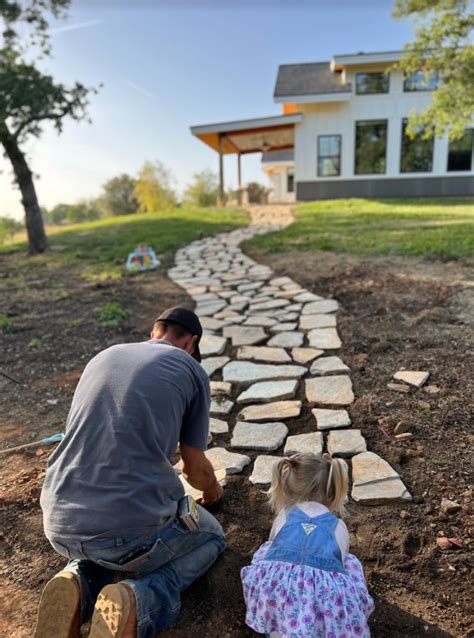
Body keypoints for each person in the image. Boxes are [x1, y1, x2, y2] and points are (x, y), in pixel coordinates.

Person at [35, 306, 225, 638]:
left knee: (104, 543)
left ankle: (75, 582)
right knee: (211, 537)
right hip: (126, 534)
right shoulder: (191, 370)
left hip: (58, 522)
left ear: (154, 332)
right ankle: (140, 600)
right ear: (191, 343)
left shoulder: (104, 357)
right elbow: (193, 468)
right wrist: (214, 493)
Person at [241, 453, 374, 638]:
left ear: (287, 486)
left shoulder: (283, 517)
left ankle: (278, 629)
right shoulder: (338, 526)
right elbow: (339, 563)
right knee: (350, 563)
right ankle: (320, 629)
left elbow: (271, 546)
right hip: (325, 606)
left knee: (267, 550)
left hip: (279, 593)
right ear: (333, 489)